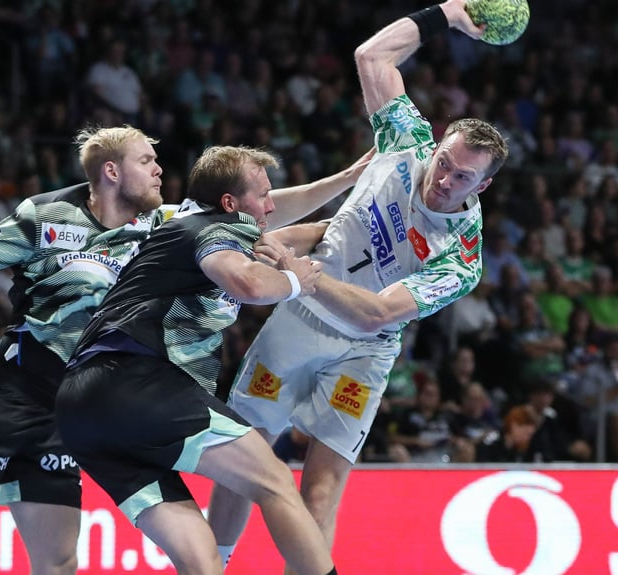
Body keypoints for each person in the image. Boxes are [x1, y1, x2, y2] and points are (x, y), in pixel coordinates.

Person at [0, 126, 363, 575]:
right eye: (147, 160)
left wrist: (351, 177)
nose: (159, 169)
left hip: (77, 405)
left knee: (59, 563)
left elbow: (254, 210)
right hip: (8, 393)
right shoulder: (47, 215)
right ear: (112, 170)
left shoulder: (165, 223)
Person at [208, 0, 510, 569]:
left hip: (363, 350)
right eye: (445, 162)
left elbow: (376, 314)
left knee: (320, 489)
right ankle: (213, 563)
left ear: (483, 187)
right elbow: (373, 54)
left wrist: (301, 275)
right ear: (439, 145)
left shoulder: (462, 256)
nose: (443, 179)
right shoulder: (406, 142)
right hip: (297, 324)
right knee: (241, 457)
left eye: (462, 177)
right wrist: (445, 13)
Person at [56, 145, 336, 575]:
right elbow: (245, 280)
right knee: (275, 481)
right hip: (135, 381)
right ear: (230, 204)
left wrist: (340, 210)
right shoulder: (215, 229)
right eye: (263, 195)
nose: (272, 205)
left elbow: (276, 236)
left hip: (82, 409)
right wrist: (293, 282)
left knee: (202, 562)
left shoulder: (183, 224)